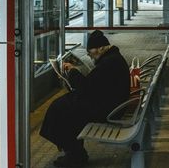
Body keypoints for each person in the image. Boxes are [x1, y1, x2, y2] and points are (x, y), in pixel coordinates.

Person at [40, 30, 130, 167]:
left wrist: (73, 72)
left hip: (110, 109)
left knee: (62, 109)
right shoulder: (112, 58)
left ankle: (75, 155)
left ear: (101, 48)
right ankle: (75, 152)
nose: (90, 56)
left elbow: (87, 88)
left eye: (90, 52)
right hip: (111, 104)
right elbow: (94, 86)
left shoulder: (109, 62)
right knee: (63, 106)